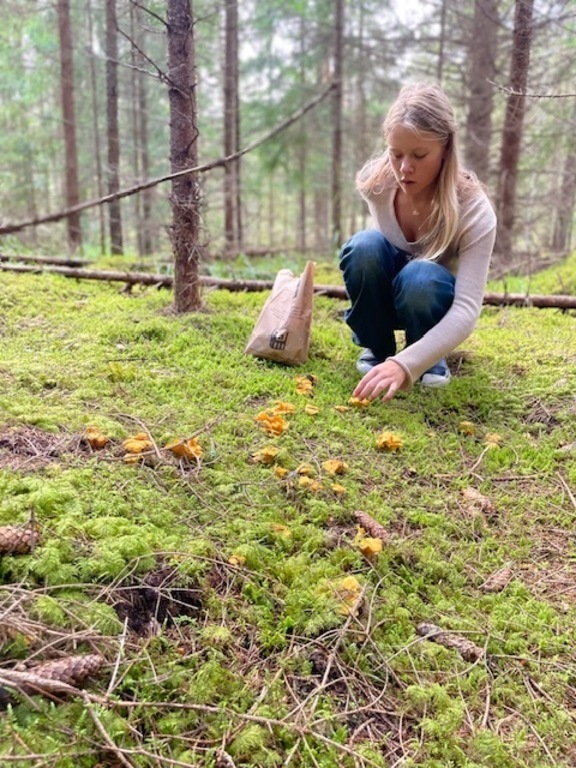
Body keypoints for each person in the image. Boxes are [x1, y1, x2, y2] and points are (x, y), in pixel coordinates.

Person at [339, 82, 497, 402]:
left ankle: (424, 351)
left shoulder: (474, 210)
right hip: (390, 295)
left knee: (420, 277)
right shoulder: (378, 184)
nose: (404, 168)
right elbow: (375, 261)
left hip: (430, 300)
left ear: (445, 150)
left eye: (419, 155)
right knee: (363, 248)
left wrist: (407, 364)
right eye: (396, 154)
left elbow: (467, 309)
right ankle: (378, 347)